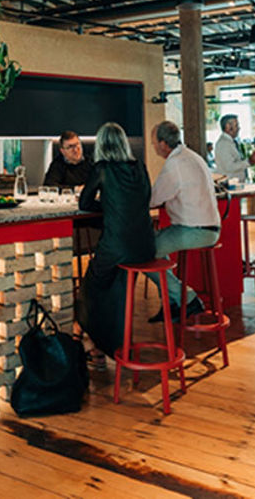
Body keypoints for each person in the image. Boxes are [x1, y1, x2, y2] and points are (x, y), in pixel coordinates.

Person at [76, 122, 155, 356]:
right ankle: (108, 343)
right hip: (146, 246)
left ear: (101, 145)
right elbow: (144, 200)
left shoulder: (102, 168)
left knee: (90, 286)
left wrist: (107, 205)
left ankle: (93, 343)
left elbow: (84, 204)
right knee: (116, 284)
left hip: (117, 246)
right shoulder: (139, 166)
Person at [147, 120, 216, 321]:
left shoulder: (174, 164)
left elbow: (154, 199)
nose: (153, 147)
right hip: (210, 229)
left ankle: (187, 298)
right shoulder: (192, 156)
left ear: (162, 144)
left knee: (143, 251)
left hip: (193, 231)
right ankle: (172, 303)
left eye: (153, 143)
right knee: (157, 248)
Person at [213, 114, 255, 182]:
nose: (239, 128)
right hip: (230, 185)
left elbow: (238, 162)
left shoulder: (231, 142)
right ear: (228, 127)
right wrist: (249, 161)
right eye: (236, 125)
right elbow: (229, 167)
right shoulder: (223, 144)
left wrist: (253, 161)